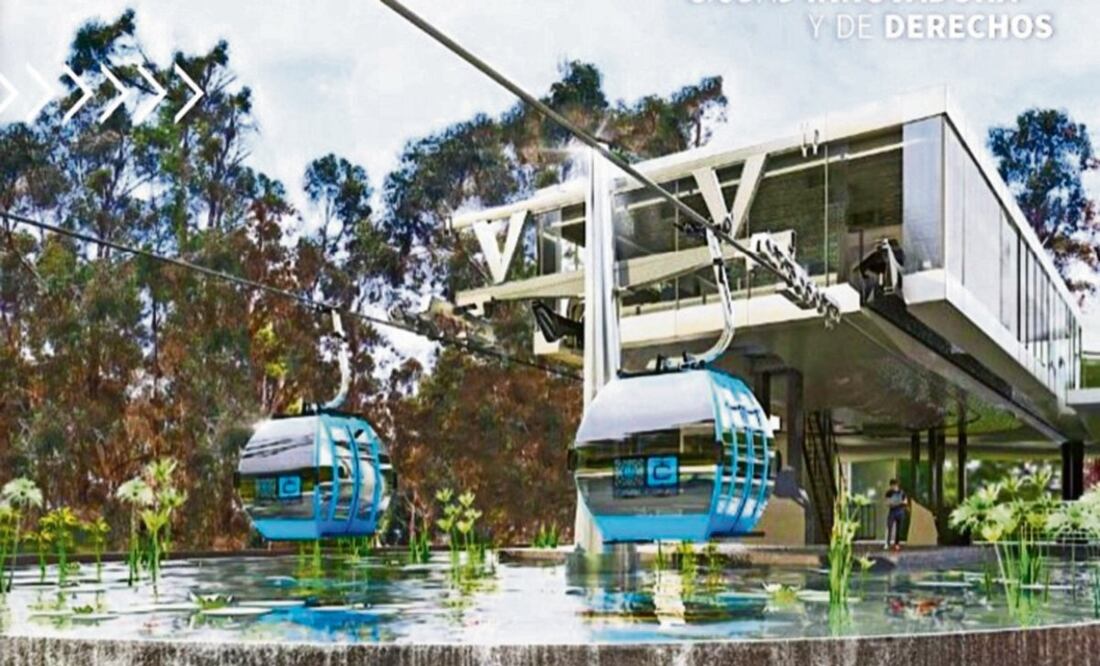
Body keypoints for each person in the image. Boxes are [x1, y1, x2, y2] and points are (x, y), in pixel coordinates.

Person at [884, 479, 908, 551]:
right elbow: (887, 502)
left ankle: (896, 543)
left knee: (899, 528)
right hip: (892, 511)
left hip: (900, 511)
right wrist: (892, 503)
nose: (892, 487)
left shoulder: (902, 492)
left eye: (893, 485)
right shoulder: (889, 493)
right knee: (889, 526)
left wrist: (900, 502)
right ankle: (887, 543)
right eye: (891, 486)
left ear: (896, 485)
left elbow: (905, 502)